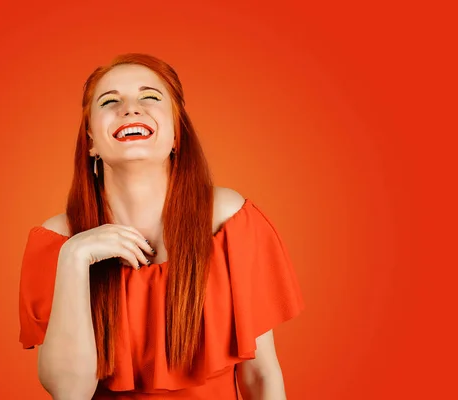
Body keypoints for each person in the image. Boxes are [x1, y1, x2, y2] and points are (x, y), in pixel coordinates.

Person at [18, 53, 305, 399]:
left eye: (149, 97)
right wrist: (75, 257)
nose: (130, 109)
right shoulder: (58, 240)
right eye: (110, 101)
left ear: (175, 134)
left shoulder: (230, 220)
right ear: (91, 141)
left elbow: (261, 376)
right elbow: (69, 392)